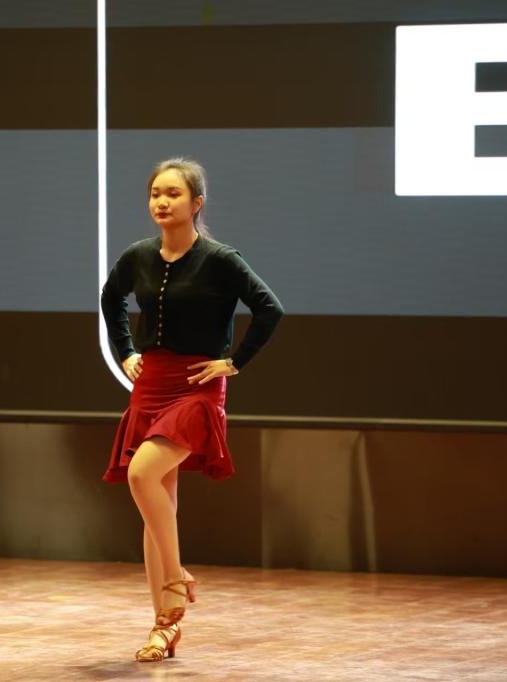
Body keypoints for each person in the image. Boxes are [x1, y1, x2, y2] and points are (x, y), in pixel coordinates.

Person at [100, 157, 283, 662]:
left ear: (196, 203)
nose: (161, 201)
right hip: (151, 383)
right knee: (157, 503)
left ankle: (176, 578)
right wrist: (126, 351)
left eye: (173, 194)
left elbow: (269, 308)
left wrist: (235, 361)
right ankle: (164, 627)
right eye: (155, 193)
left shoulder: (221, 260)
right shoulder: (138, 256)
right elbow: (111, 298)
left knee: (142, 475)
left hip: (197, 386)